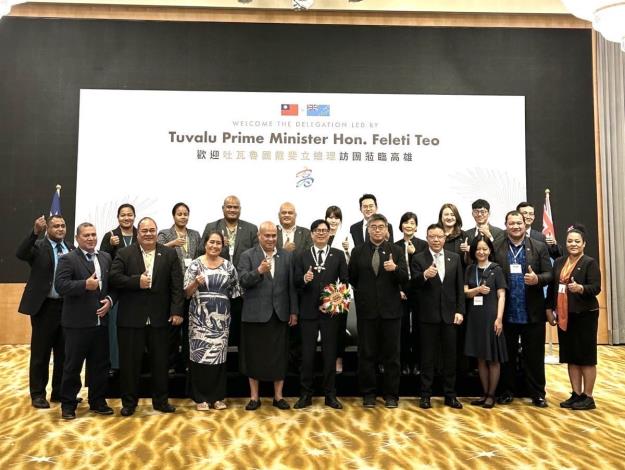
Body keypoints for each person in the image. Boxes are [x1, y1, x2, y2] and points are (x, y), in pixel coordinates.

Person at [109, 217, 184, 416]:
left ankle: (161, 402)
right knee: (130, 364)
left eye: (152, 230)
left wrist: (177, 311)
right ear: (138, 233)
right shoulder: (125, 253)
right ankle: (129, 403)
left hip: (160, 319)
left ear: (156, 231)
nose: (149, 234)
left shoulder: (168, 254)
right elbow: (113, 278)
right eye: (144, 231)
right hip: (131, 319)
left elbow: (177, 286)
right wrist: (136, 282)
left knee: (160, 363)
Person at [55, 223, 116, 419]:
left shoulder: (105, 257)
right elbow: (60, 285)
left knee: (100, 365)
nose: (91, 238)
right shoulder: (68, 259)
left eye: (93, 235)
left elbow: (113, 285)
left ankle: (97, 401)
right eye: (86, 235)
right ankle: (68, 404)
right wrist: (84, 285)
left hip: (101, 323)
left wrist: (110, 301)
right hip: (77, 324)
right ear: (77, 238)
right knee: (72, 366)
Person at [494, 210, 553, 407]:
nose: (516, 226)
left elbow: (550, 274)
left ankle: (537, 393)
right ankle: (507, 391)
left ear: (525, 224)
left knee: (534, 356)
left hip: (532, 312)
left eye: (519, 223)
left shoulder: (539, 247)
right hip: (507, 312)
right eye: (512, 223)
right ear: (506, 225)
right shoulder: (497, 247)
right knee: (507, 356)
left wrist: (537, 279)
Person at [237, 221, 298, 411]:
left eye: (273, 236)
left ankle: (278, 396)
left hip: (280, 314)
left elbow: (292, 287)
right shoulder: (248, 255)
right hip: (255, 315)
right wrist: (258, 272)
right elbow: (242, 281)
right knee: (253, 356)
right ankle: (254, 398)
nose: (271, 239)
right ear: (259, 236)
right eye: (267, 236)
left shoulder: (286, 256)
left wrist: (293, 311)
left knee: (279, 357)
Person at [348, 214, 408, 408]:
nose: (377, 230)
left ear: (387, 230)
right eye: (373, 227)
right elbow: (353, 278)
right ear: (368, 229)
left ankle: (391, 395)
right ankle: (368, 394)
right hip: (367, 312)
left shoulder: (397, 251)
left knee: (392, 356)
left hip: (391, 312)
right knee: (366, 354)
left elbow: (405, 278)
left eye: (381, 227)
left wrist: (395, 269)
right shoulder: (358, 252)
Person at [17, 214, 74, 409]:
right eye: (56, 226)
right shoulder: (39, 246)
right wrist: (34, 233)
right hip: (45, 307)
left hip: (67, 307)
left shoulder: (71, 248)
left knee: (63, 353)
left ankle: (59, 391)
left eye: (63, 226)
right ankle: (38, 394)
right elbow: (21, 253)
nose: (60, 229)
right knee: (41, 354)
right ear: (48, 228)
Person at [293, 219, 349, 410]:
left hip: (330, 313)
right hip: (308, 312)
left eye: (325, 230)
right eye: (317, 230)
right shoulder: (301, 255)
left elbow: (345, 283)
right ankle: (305, 395)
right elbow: (295, 283)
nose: (321, 233)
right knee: (307, 355)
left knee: (330, 355)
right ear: (311, 233)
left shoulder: (338, 255)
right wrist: (304, 279)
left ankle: (330, 395)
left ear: (329, 234)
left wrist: (331, 302)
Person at [184, 231, 240, 411]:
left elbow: (235, 292)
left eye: (218, 243)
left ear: (222, 246)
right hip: (199, 319)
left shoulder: (229, 267)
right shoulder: (195, 265)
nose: (215, 246)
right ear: (205, 244)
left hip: (222, 320)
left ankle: (217, 397)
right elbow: (185, 293)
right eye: (211, 242)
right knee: (200, 356)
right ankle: (200, 398)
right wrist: (195, 283)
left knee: (218, 357)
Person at [546, 225, 601, 410]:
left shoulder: (589, 262)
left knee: (586, 356)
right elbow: (554, 287)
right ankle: (576, 394)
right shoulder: (560, 261)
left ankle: (588, 396)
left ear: (584, 244)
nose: (573, 244)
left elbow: (596, 287)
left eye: (577, 241)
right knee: (571, 355)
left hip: (585, 315)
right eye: (570, 241)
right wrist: (549, 309)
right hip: (564, 315)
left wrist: (581, 288)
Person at [412, 223, 465, 409]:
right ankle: (425, 395)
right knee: (428, 357)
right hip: (428, 316)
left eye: (439, 236)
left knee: (450, 357)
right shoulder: (418, 258)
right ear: (427, 238)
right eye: (432, 236)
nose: (436, 240)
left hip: (450, 316)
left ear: (444, 238)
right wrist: (424, 275)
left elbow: (459, 288)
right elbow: (413, 286)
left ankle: (450, 395)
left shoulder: (455, 258)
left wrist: (460, 311)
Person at [202, 195, 258, 348]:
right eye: (229, 207)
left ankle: (241, 365)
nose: (232, 210)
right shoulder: (211, 227)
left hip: (243, 288)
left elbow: (256, 256)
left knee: (240, 328)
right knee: (217, 326)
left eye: (235, 207)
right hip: (217, 287)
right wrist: (218, 245)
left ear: (240, 209)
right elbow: (201, 252)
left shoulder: (251, 229)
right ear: (223, 208)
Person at [157, 202, 202, 375]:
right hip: (172, 287)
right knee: (173, 329)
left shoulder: (195, 234)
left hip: (192, 287)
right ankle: (170, 364)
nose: (183, 216)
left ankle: (188, 363)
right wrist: (173, 243)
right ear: (173, 216)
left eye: (185, 214)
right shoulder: (165, 234)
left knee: (190, 329)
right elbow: (156, 249)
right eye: (179, 214)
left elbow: (200, 256)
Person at [463, 236, 507, 409]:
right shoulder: (470, 269)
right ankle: (484, 393)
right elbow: (466, 293)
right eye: (478, 249)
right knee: (480, 358)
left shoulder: (496, 269)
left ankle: (491, 395)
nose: (481, 252)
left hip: (491, 316)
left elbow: (501, 295)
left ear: (490, 250)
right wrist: (478, 290)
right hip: (475, 317)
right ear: (474, 251)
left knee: (493, 357)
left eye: (484, 249)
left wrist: (499, 318)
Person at [100, 203, 137, 376]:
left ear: (134, 217)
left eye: (130, 215)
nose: (126, 218)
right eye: (123, 215)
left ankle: (133, 363)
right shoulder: (110, 235)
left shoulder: (140, 234)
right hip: (116, 289)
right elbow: (102, 258)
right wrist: (109, 245)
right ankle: (114, 364)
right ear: (118, 217)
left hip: (137, 288)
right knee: (114, 327)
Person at [394, 212, 427, 376]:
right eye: (405, 222)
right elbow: (394, 271)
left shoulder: (423, 244)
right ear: (401, 226)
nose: (408, 226)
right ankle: (405, 363)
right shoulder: (395, 245)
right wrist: (399, 289)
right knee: (403, 329)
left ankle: (418, 363)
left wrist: (413, 254)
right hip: (402, 290)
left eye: (412, 223)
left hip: (419, 290)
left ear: (416, 226)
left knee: (420, 329)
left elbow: (425, 267)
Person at [325, 205, 352, 374]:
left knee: (339, 327)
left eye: (336, 218)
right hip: (321, 288)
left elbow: (352, 262)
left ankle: (338, 359)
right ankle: (327, 360)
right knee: (325, 327)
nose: (333, 221)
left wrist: (348, 250)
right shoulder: (321, 235)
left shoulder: (346, 236)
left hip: (340, 289)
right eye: (330, 217)